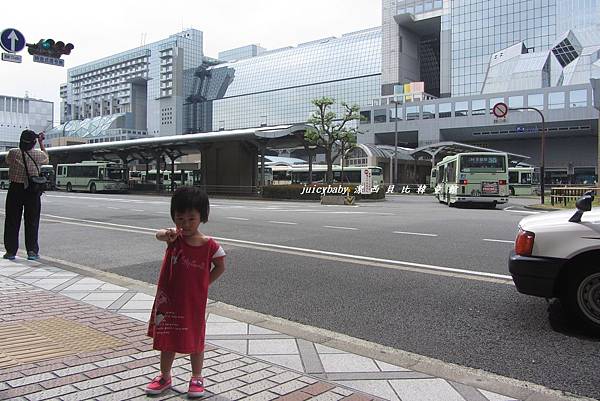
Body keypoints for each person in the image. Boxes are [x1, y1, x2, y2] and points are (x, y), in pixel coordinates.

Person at [146, 187, 226, 397]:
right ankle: (165, 375)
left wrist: (203, 284)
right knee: (167, 337)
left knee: (195, 338)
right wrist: (167, 233)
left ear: (202, 217)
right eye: (180, 218)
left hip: (193, 301)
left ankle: (197, 377)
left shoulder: (209, 245)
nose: (185, 224)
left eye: (191, 218)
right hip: (169, 300)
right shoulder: (174, 239)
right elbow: (158, 235)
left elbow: (220, 266)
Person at [3, 130, 48, 261]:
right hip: (32, 191)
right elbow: (46, 157)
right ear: (34, 142)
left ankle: (11, 251)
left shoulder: (13, 153)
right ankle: (32, 251)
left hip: (15, 189)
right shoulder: (38, 155)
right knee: (32, 221)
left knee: (12, 220)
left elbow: (8, 161)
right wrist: (41, 143)